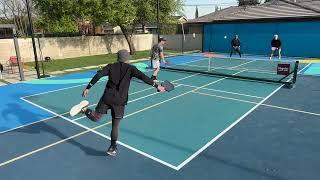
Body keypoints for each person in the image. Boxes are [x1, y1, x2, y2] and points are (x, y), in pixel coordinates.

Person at [70, 49, 165, 156]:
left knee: (96, 118)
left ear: (117, 57)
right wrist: (157, 86)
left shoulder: (110, 66)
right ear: (127, 58)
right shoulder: (131, 68)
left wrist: (88, 88)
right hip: (120, 101)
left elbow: (99, 75)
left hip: (107, 97)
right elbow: (144, 77)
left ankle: (85, 110)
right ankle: (112, 147)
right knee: (115, 126)